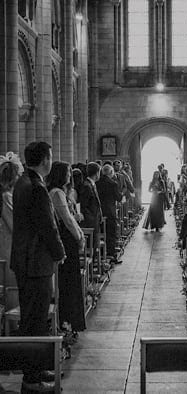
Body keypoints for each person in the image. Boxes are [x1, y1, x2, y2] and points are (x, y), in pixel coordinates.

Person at [10, 141, 66, 392]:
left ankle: (37, 367)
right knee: (34, 320)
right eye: (50, 157)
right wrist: (60, 252)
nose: (51, 161)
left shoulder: (23, 182)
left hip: (24, 261)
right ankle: (31, 379)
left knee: (34, 318)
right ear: (45, 159)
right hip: (36, 263)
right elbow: (47, 226)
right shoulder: (36, 186)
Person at [47, 162, 87, 341]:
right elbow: (67, 219)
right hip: (66, 240)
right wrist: (80, 237)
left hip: (68, 239)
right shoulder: (56, 193)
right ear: (60, 174)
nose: (70, 175)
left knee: (71, 281)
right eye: (68, 172)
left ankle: (69, 321)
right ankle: (66, 321)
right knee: (68, 282)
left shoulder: (61, 192)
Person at [0, 152, 23, 288]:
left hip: (8, 242)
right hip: (8, 244)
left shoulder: (8, 195)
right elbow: (14, 225)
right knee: (10, 281)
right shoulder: (6, 196)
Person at [95, 164, 122, 264]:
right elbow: (118, 197)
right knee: (111, 234)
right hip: (110, 212)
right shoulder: (113, 183)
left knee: (101, 233)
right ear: (111, 173)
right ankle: (111, 256)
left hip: (99, 212)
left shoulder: (97, 183)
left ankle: (102, 255)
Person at [143, 167, 166, 231]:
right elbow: (149, 190)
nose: (156, 175)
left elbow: (164, 190)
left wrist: (159, 192)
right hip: (154, 197)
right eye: (155, 174)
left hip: (160, 198)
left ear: (159, 175)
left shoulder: (162, 182)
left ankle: (158, 225)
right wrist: (153, 191)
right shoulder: (151, 182)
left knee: (159, 212)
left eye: (157, 174)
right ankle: (153, 224)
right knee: (153, 211)